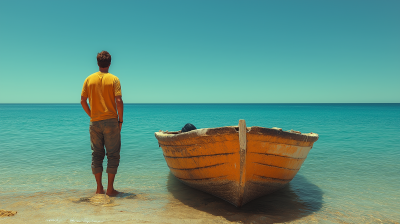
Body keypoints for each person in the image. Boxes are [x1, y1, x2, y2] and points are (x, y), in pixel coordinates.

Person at [80, 51, 123, 196]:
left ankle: (99, 189)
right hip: (111, 122)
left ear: (98, 63)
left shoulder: (88, 79)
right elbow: (118, 101)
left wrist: (92, 115)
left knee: (96, 155)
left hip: (95, 123)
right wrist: (120, 120)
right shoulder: (114, 79)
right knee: (113, 155)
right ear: (110, 63)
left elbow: (82, 101)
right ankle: (110, 189)